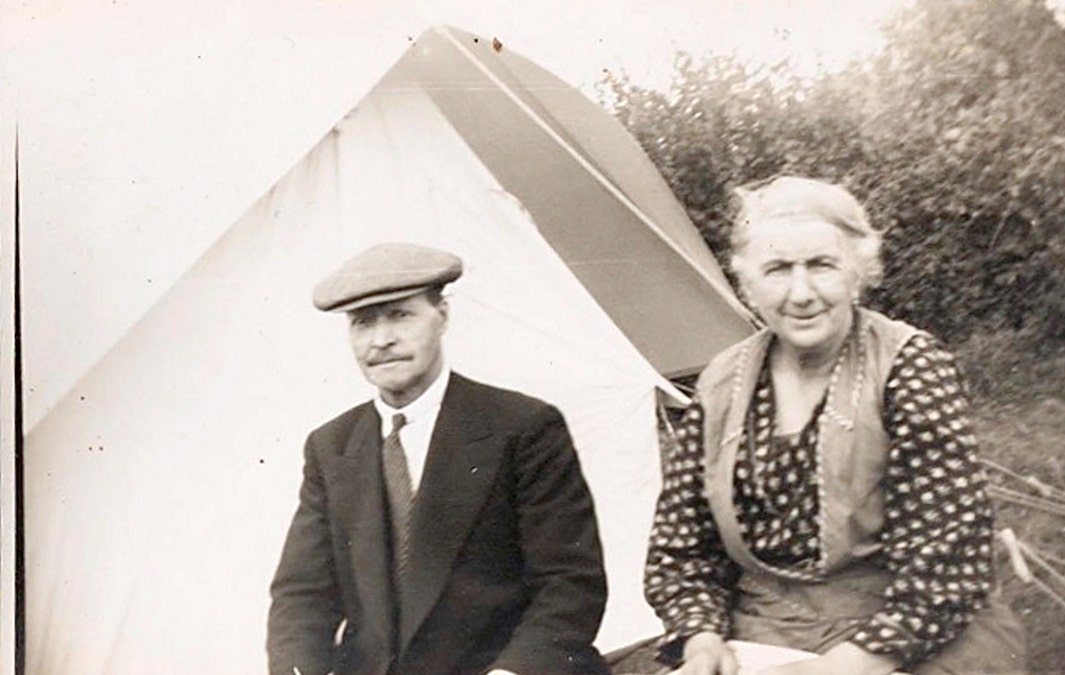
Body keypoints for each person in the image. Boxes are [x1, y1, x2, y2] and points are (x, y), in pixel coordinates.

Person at [643, 176, 1025, 675]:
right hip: (764, 631)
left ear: (859, 272)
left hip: (907, 634)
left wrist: (842, 666)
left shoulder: (911, 367)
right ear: (746, 282)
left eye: (821, 265)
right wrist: (702, 640)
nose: (801, 294)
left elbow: (945, 563)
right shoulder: (720, 383)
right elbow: (682, 546)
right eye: (778, 269)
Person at [268, 243, 610, 675]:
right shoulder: (331, 446)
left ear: (442, 317)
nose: (381, 340)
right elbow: (302, 594)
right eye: (363, 323)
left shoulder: (524, 427)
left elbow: (570, 584)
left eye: (400, 315)